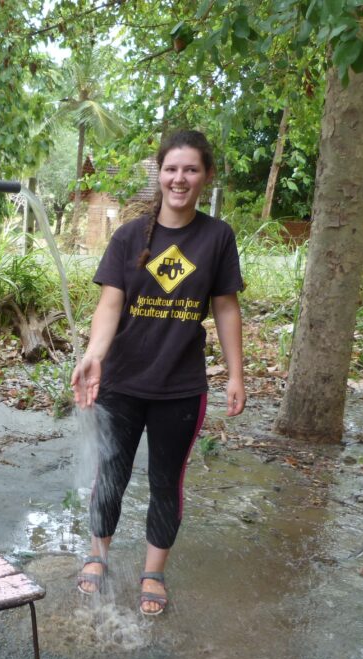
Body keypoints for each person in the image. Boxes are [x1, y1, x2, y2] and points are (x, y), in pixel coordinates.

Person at [71, 129, 245, 616]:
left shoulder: (216, 237)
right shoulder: (130, 235)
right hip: (122, 381)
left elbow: (226, 308)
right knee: (113, 473)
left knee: (168, 480)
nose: (180, 178)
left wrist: (237, 374)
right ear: (159, 172)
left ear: (205, 175)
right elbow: (110, 303)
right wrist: (94, 354)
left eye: (191, 169)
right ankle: (98, 556)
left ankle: (153, 572)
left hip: (181, 386)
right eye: (172, 168)